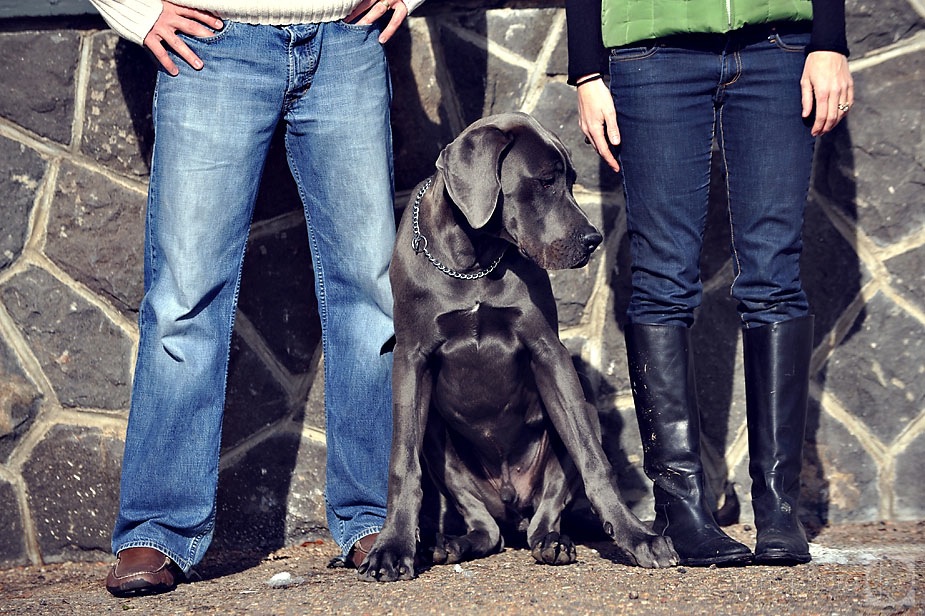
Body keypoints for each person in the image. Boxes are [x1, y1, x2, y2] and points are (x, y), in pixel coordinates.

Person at [88, 0, 424, 596]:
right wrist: (135, 11)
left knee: (371, 293)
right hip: (211, 45)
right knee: (185, 297)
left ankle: (377, 515)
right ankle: (157, 528)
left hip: (346, 40)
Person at [566, 0, 852, 566]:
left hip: (779, 45)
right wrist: (586, 69)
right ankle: (680, 508)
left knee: (775, 274)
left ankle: (778, 509)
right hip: (650, 50)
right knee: (662, 277)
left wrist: (831, 39)